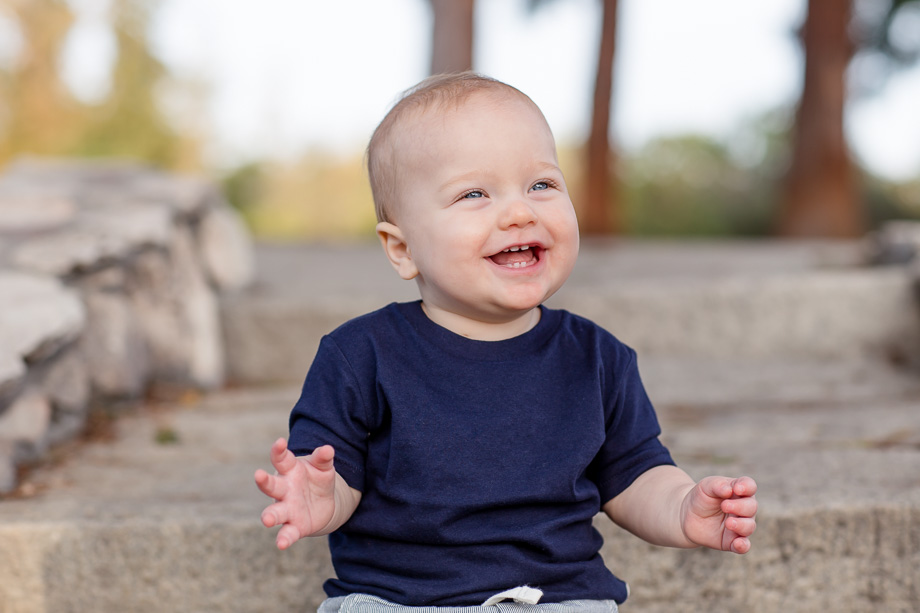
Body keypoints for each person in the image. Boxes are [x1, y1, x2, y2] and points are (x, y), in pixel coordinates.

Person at [254, 72, 757, 612]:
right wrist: (322, 496)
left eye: (542, 185)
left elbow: (634, 475)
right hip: (396, 600)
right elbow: (339, 473)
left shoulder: (597, 359)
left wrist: (682, 506)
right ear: (401, 249)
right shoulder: (359, 356)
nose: (520, 212)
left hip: (556, 599)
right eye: (474, 193)